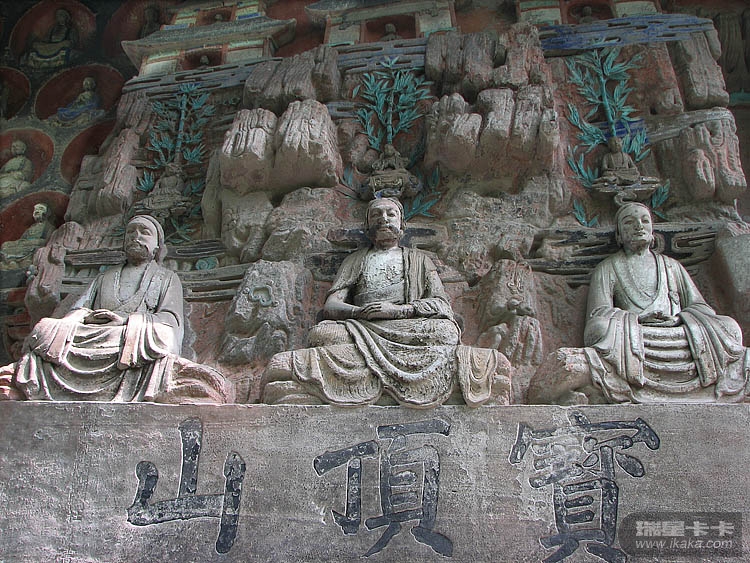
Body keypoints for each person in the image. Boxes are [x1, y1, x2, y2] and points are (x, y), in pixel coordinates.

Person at [268, 197, 506, 407]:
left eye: (390, 214)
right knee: (322, 334)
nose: (383, 218)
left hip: (407, 326)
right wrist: (360, 311)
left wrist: (400, 311)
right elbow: (331, 306)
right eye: (376, 214)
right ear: (367, 226)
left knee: (445, 332)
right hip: (363, 326)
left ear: (402, 224)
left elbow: (441, 305)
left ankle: (362, 380)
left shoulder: (419, 260)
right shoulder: (356, 260)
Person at [8, 215, 187, 401]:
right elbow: (80, 308)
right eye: (130, 232)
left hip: (130, 335)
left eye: (145, 232)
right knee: (45, 328)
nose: (136, 236)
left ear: (157, 246)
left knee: (164, 336)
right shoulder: (105, 277)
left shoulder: (167, 278)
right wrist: (84, 317)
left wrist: (126, 321)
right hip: (95, 331)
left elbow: (170, 319)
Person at [582, 202, 747, 402]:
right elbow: (599, 313)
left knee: (730, 327)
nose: (638, 226)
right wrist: (639, 318)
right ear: (618, 235)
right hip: (636, 336)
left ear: (653, 231)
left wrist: (680, 319)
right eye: (629, 222)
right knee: (599, 329)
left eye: (645, 221)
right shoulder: (607, 268)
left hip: (679, 333)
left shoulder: (671, 266)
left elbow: (699, 306)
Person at [0, 202, 55, 267]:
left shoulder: (49, 227)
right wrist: (22, 242)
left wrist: (33, 242)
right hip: (24, 245)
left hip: (34, 246)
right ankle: (12, 260)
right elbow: (22, 239)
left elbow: (47, 242)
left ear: (47, 213)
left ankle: (17, 261)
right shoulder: (32, 227)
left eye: (41, 209)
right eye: (35, 209)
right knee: (5, 245)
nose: (37, 211)